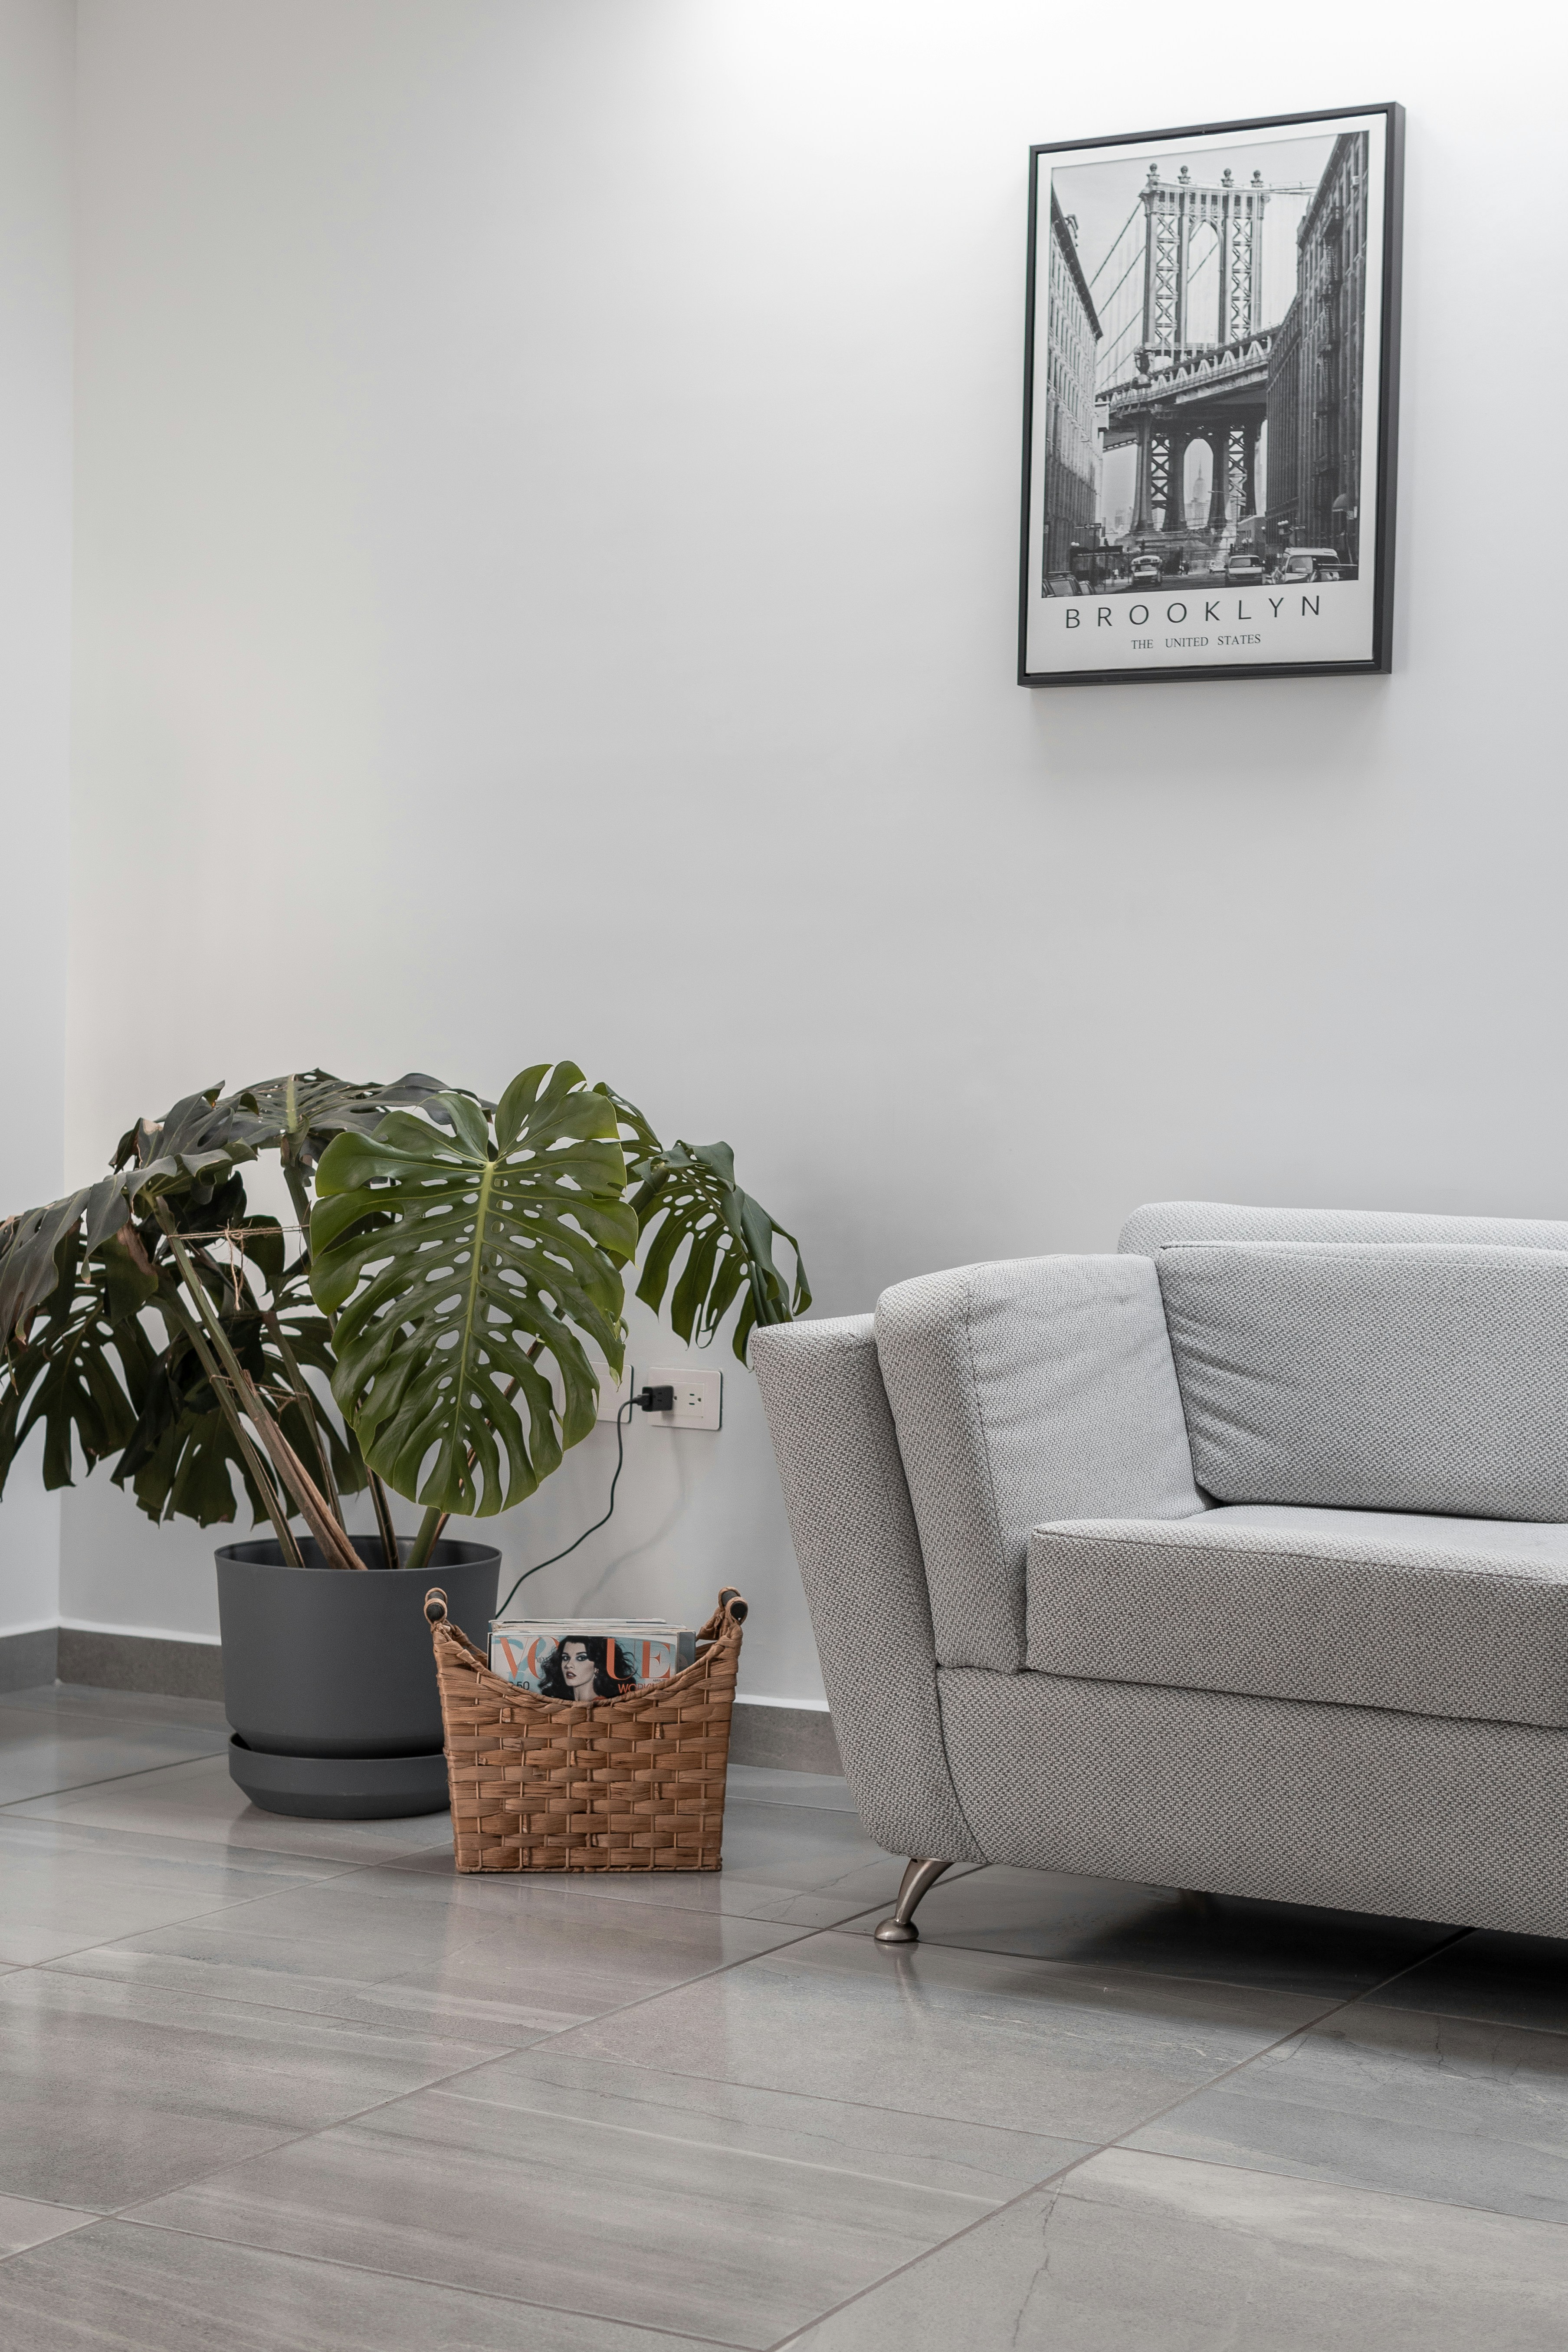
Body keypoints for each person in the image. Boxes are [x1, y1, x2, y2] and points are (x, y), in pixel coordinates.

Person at [537, 1633, 633, 1701]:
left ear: (598, 1667)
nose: (568, 1665)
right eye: (566, 1658)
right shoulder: (562, 1703)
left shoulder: (602, 1707)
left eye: (581, 1658)